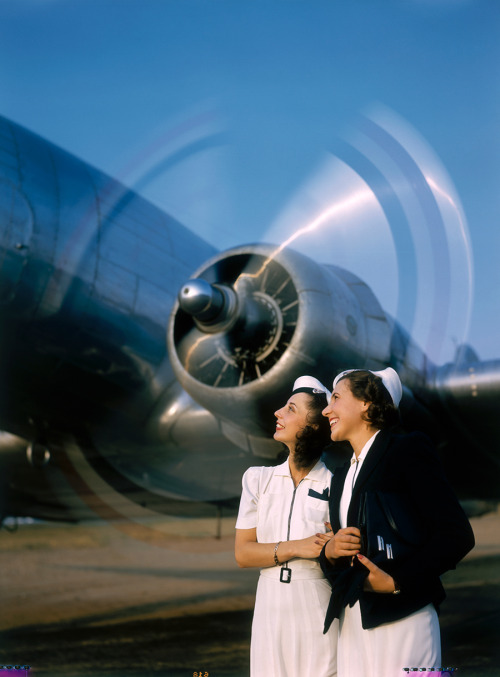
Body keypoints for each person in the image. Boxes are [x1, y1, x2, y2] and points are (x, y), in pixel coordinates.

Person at [320, 367, 475, 677]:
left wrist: (396, 581)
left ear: (366, 402)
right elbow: (341, 560)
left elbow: (456, 535)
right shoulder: (340, 477)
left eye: (336, 397)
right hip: (352, 625)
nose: (326, 409)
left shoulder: (407, 449)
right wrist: (330, 551)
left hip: (404, 618)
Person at [235, 376, 338, 677]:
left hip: (317, 607)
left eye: (291, 409)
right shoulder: (257, 479)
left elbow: (337, 551)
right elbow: (243, 554)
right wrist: (298, 547)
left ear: (316, 425)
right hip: (269, 610)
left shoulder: (338, 484)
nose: (278, 413)